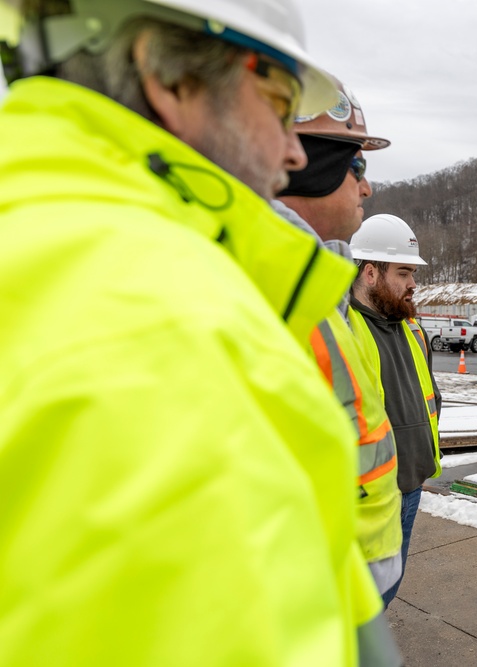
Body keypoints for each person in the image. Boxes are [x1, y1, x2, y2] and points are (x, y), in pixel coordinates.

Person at [0, 1, 393, 664]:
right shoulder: (168, 331)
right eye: (277, 100)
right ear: (172, 77)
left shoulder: (44, 250)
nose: (294, 149)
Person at [273, 85, 405, 607]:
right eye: (355, 167)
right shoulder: (269, 289)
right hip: (308, 592)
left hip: (344, 582)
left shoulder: (321, 289)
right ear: (304, 163)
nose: (366, 189)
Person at [348, 214, 442, 606]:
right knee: (357, 606)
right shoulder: (344, 328)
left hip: (411, 487)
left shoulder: (413, 329)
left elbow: (429, 400)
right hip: (366, 500)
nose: (413, 283)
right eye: (403, 272)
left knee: (384, 595)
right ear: (370, 273)